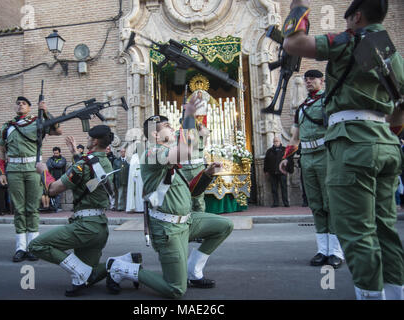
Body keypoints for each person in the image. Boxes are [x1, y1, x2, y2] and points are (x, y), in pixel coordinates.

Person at [282, 0, 403, 299]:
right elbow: (401, 105)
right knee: (385, 229)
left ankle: (371, 296)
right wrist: (386, 133)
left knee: (358, 232)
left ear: (357, 15)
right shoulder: (389, 49)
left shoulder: (351, 39)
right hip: (385, 143)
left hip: (351, 144)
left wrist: (298, 6)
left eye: (348, 16)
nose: (346, 22)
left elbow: (293, 43)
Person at [105, 93, 234, 299]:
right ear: (155, 135)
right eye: (167, 126)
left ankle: (193, 270)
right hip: (168, 230)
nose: (172, 128)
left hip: (187, 222)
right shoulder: (149, 153)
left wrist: (207, 174)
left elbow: (193, 193)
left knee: (224, 226)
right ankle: (120, 267)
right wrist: (189, 117)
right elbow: (184, 151)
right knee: (175, 290)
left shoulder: (170, 155)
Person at [28, 126, 141, 297]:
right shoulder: (104, 161)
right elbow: (88, 168)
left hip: (84, 227)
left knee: (36, 245)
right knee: (91, 273)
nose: (87, 140)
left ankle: (80, 273)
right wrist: (75, 153)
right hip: (100, 227)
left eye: (89, 137)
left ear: (94, 141)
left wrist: (43, 171)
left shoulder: (84, 164)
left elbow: (52, 189)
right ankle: (122, 262)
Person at [280, 69, 344, 269]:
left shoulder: (328, 101)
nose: (308, 82)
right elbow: (295, 136)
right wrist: (286, 157)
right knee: (316, 205)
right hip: (307, 158)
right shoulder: (302, 107)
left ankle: (335, 252)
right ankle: (322, 250)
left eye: (313, 78)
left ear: (322, 80)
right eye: (306, 79)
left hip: (326, 155)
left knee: (330, 203)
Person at [0, 96, 62, 262]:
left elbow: (57, 130)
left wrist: (46, 111)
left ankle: (33, 247)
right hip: (13, 171)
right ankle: (20, 247)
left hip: (33, 169)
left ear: (30, 108)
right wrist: (2, 173)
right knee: (18, 209)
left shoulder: (37, 122)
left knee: (32, 208)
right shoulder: (7, 126)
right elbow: (1, 151)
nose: (20, 105)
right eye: (18, 103)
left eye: (24, 103)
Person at [263, 136, 290, 207]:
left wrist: (288, 169)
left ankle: (286, 203)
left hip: (282, 172)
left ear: (280, 141)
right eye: (275, 141)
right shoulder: (269, 151)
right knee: (274, 189)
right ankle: (275, 203)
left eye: (277, 141)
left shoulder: (285, 150)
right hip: (272, 172)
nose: (276, 142)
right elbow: (266, 161)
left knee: (284, 188)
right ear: (273, 142)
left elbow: (288, 160)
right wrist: (266, 170)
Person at [46, 147, 67, 212]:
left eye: (57, 153)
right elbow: (48, 165)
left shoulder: (63, 159)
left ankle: (55, 208)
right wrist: (54, 165)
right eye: (54, 153)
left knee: (58, 194)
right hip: (51, 178)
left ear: (59, 152)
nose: (55, 154)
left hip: (60, 178)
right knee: (51, 193)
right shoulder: (50, 159)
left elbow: (59, 166)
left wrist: (53, 164)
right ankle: (54, 207)